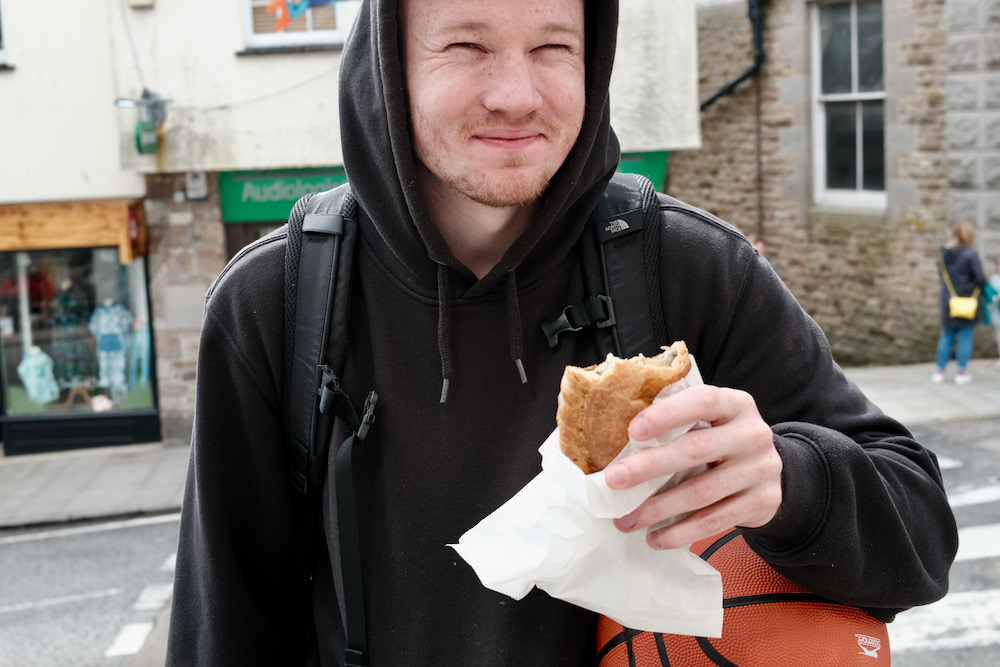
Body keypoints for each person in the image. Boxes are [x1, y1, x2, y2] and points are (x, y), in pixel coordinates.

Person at [166, 1, 958, 665]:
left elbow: (921, 536)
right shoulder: (275, 304)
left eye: (554, 46)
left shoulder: (692, 269)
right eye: (466, 46)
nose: (515, 94)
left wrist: (791, 478)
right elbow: (222, 637)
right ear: (388, 66)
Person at [932, 221, 986, 384]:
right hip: (968, 301)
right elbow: (980, 278)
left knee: (947, 335)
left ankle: (939, 372)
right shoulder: (970, 254)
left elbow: (942, 275)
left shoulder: (944, 253)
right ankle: (961, 373)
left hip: (949, 301)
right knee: (965, 336)